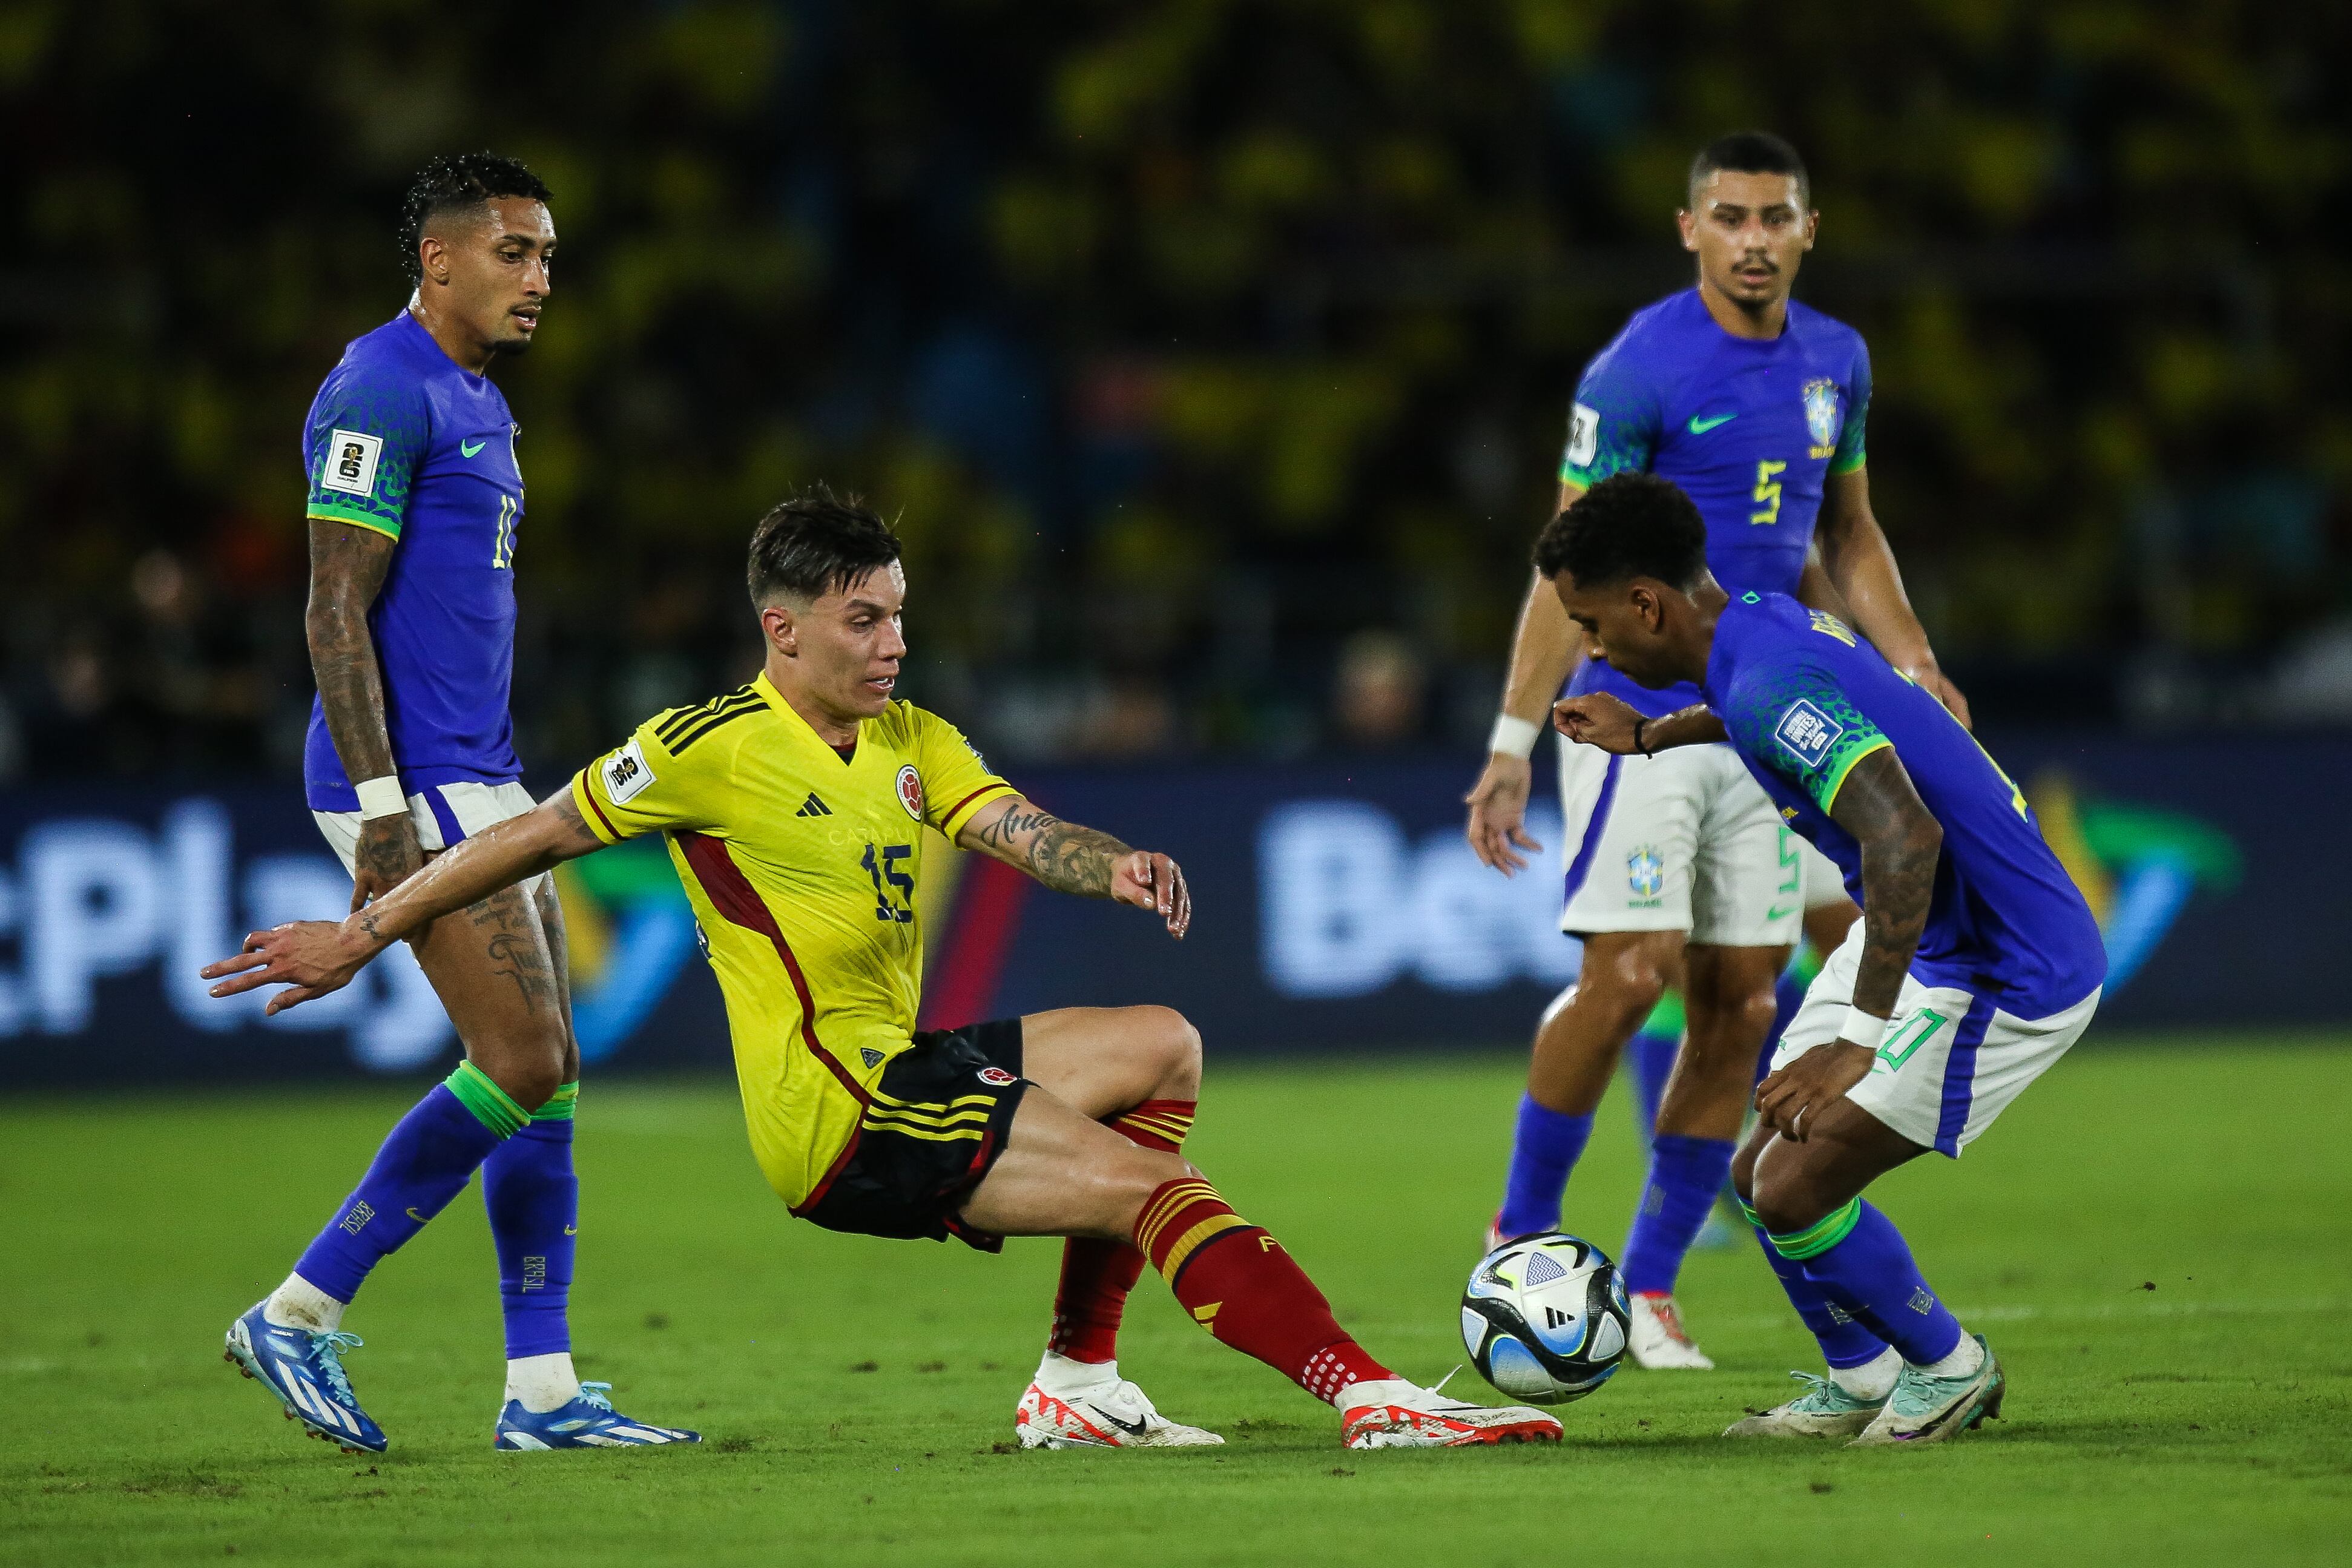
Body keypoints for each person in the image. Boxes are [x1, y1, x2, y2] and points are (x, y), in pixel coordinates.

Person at [206, 491, 1564, 1454]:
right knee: (1153, 1186)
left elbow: (1021, 829)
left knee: (1162, 1042)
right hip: (839, 1117)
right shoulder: (704, 746)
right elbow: (530, 835)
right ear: (783, 627)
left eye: (899, 614)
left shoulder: (911, 732)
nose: (893, 642)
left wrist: (1117, 862)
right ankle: (1370, 1392)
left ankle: (1077, 1384)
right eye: (864, 620)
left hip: (907, 1063)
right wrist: (366, 925)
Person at [220, 152, 693, 1455]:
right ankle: (299, 1310)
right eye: (514, 252)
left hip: (481, 769)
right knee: (524, 1056)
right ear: (438, 258)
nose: (540, 278)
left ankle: (541, 1395)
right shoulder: (378, 383)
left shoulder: (473, 395)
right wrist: (382, 801)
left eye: (547, 257)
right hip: (411, 780)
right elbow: (331, 605)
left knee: (551, 1076)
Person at [1463, 131, 1959, 1369]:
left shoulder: (1834, 360)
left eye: (1772, 217)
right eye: (1727, 216)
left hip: (1763, 707)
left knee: (1741, 1002)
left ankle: (1649, 1283)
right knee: (1629, 978)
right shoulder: (1636, 370)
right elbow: (1562, 561)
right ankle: (1518, 1235)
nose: (1751, 238)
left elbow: (1844, 535)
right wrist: (1511, 738)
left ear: (1806, 228)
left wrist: (1910, 662)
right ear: (1688, 229)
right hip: (1632, 712)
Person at [1539, 473, 2104, 1444]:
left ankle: (1949, 1365)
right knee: (1761, 1160)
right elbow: (1762, 708)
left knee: (1795, 1184)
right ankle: (1861, 1372)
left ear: (1646, 603)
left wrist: (1857, 1037)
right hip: (1936, 937)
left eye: (1591, 624)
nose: (1591, 649)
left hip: (2007, 962)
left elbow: (1906, 838)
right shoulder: (1755, 621)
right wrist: (1650, 735)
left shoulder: (1760, 677)